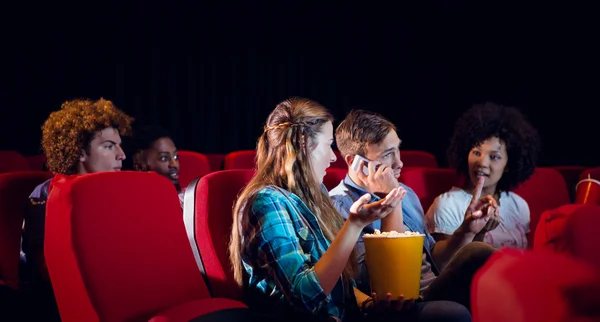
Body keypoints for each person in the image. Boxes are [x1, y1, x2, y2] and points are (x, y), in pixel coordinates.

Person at [229, 98, 470, 322]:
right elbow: (305, 297)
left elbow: (344, 282)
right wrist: (354, 225)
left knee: (476, 259)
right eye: (328, 145)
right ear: (304, 146)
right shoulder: (267, 202)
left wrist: (367, 304)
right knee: (454, 313)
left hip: (350, 313)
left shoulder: (315, 195)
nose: (333, 158)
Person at [329, 109, 497, 312]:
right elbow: (387, 283)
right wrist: (391, 202)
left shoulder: (406, 192)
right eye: (388, 154)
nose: (400, 163)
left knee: (480, 258)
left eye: (397, 150)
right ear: (354, 162)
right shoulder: (339, 205)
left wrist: (466, 230)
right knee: (457, 305)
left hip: (432, 288)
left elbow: (433, 258)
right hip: (397, 302)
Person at [21, 98, 132, 319]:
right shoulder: (45, 196)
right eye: (109, 146)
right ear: (80, 151)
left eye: (119, 145)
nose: (122, 155)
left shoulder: (120, 192)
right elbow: (48, 272)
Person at [426, 102, 540, 249]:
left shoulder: (518, 205)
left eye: (494, 157)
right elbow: (446, 266)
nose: (482, 163)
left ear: (508, 165)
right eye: (476, 152)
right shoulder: (447, 205)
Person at [128, 125, 183, 206]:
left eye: (175, 157)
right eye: (164, 158)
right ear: (139, 164)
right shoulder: (135, 203)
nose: (174, 164)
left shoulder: (186, 200)